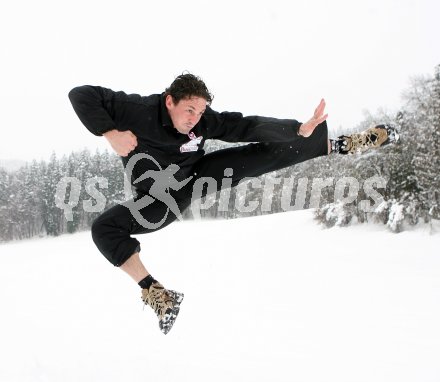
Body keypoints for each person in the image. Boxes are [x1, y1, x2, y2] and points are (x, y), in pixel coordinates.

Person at [68, 73, 399, 334]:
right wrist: (110, 132)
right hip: (159, 199)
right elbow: (81, 94)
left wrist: (297, 128)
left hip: (198, 175)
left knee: (258, 154)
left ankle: (347, 143)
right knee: (104, 228)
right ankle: (159, 296)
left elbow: (246, 125)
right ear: (169, 101)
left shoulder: (204, 121)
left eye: (200, 112)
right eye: (189, 110)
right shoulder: (137, 111)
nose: (195, 119)